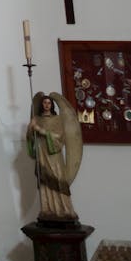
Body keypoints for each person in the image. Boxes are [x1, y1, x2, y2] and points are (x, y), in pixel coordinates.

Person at [27, 93, 81, 222]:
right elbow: (30, 138)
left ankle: (65, 209)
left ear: (52, 105)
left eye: (49, 103)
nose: (46, 105)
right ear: (41, 105)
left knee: (57, 178)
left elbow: (60, 137)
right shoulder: (37, 119)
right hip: (42, 151)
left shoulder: (57, 119)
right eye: (44, 103)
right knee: (45, 179)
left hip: (53, 153)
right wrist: (31, 127)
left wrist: (41, 130)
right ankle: (48, 208)